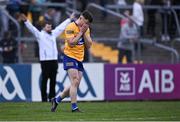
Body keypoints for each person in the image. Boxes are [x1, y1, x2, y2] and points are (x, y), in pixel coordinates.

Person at [19, 13, 74, 102]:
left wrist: (69, 19)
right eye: (48, 27)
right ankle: (44, 99)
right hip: (45, 61)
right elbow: (32, 29)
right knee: (45, 80)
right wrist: (26, 21)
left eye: (50, 27)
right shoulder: (40, 35)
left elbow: (61, 27)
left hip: (54, 60)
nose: (50, 28)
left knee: (53, 80)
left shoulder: (53, 34)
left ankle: (52, 98)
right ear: (44, 28)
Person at [51, 10, 93, 112]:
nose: (86, 25)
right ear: (81, 18)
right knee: (75, 81)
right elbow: (71, 43)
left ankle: (57, 99)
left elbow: (89, 45)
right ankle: (74, 107)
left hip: (79, 58)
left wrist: (85, 33)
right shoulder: (70, 27)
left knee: (76, 84)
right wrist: (81, 32)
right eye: (86, 22)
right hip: (69, 56)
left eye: (88, 23)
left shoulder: (85, 29)